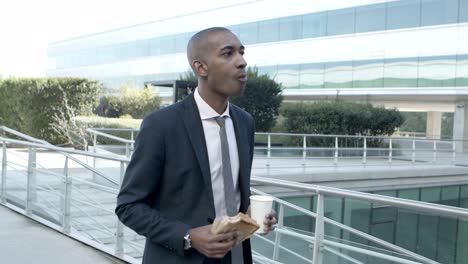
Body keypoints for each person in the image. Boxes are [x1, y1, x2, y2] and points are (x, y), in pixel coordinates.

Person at [115, 27, 277, 264]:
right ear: (201, 67)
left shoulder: (245, 122)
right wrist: (188, 236)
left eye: (242, 53)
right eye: (228, 53)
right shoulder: (161, 125)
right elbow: (129, 206)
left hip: (236, 257)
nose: (242, 62)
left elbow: (228, 191)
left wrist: (250, 217)